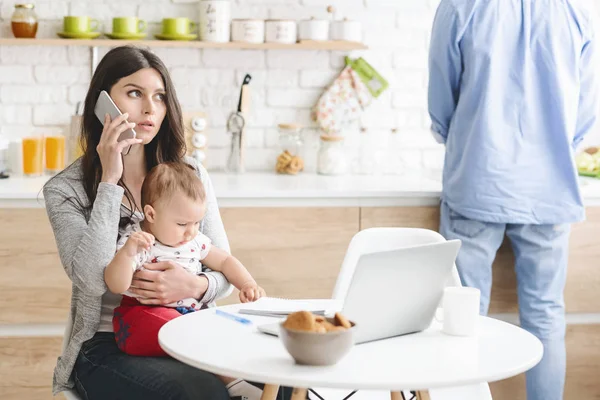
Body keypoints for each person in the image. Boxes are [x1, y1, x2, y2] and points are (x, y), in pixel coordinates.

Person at [44, 45, 294, 400]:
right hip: (110, 343)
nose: (149, 109)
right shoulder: (65, 190)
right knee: (198, 392)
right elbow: (90, 280)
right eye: (134, 93)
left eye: (159, 97)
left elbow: (222, 269)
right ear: (103, 104)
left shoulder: (189, 174)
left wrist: (193, 286)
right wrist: (109, 182)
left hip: (191, 329)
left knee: (281, 381)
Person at [429, 1, 599, 399]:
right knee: (545, 313)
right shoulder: (574, 10)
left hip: (477, 179)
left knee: (462, 317)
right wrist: (555, 150)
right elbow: (585, 110)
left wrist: (464, 141)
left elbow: (441, 94)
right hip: (549, 187)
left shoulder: (461, 6)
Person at [107, 161, 266, 399]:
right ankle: (233, 384)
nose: (191, 231)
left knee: (227, 328)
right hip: (139, 320)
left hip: (189, 318)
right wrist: (128, 253)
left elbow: (224, 261)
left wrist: (248, 284)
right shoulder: (140, 241)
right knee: (184, 329)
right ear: (151, 213)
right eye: (182, 224)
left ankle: (216, 361)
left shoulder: (194, 240)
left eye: (197, 222)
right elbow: (116, 284)